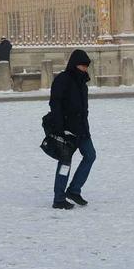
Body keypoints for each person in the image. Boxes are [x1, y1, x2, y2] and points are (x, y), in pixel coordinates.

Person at [47, 49, 96, 210]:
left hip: (81, 128)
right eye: (82, 66)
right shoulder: (63, 79)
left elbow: (84, 108)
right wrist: (60, 128)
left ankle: (74, 190)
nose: (85, 69)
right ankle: (59, 198)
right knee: (65, 163)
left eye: (86, 66)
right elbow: (55, 104)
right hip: (67, 129)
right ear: (75, 64)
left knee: (90, 155)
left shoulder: (82, 82)